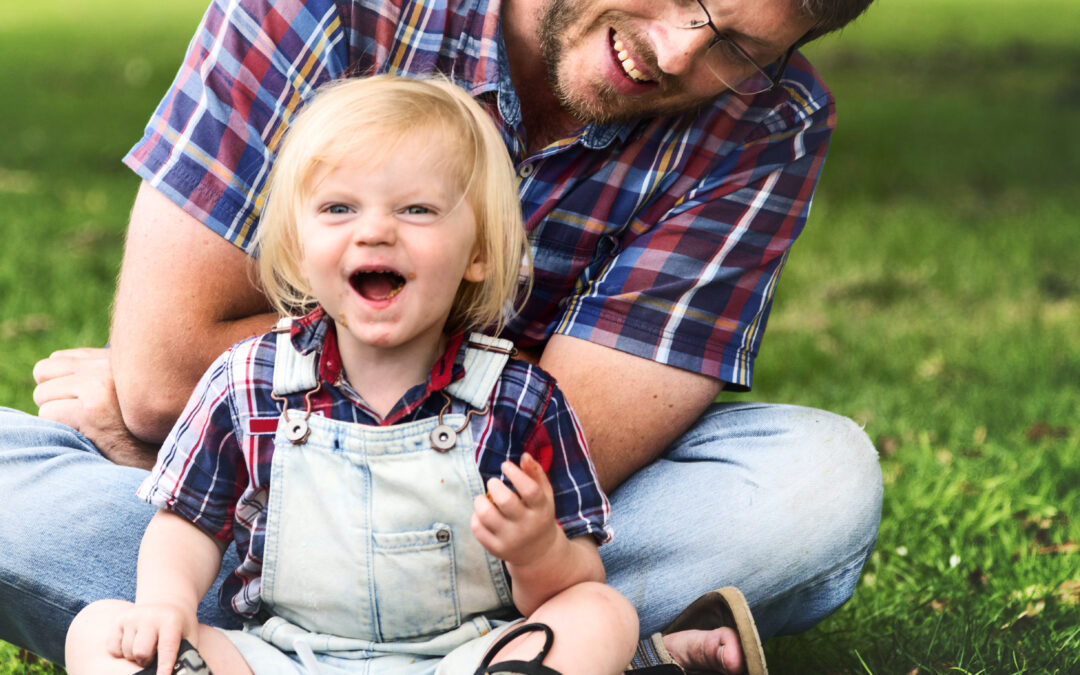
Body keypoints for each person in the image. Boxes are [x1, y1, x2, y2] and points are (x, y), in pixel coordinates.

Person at [4, 0, 884, 672]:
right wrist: (192, 442)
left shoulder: (766, 123)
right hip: (264, 541)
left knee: (815, 480)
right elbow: (167, 372)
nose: (675, 50)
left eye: (737, 47)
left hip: (498, 557)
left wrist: (169, 426)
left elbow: (573, 447)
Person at [64, 75, 640, 675]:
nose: (374, 230)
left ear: (479, 254)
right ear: (297, 243)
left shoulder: (520, 400)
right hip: (281, 656)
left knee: (601, 611)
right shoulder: (246, 381)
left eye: (417, 209)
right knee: (99, 631)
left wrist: (538, 549)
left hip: (466, 658)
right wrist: (166, 603)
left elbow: (576, 575)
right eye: (339, 208)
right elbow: (186, 524)